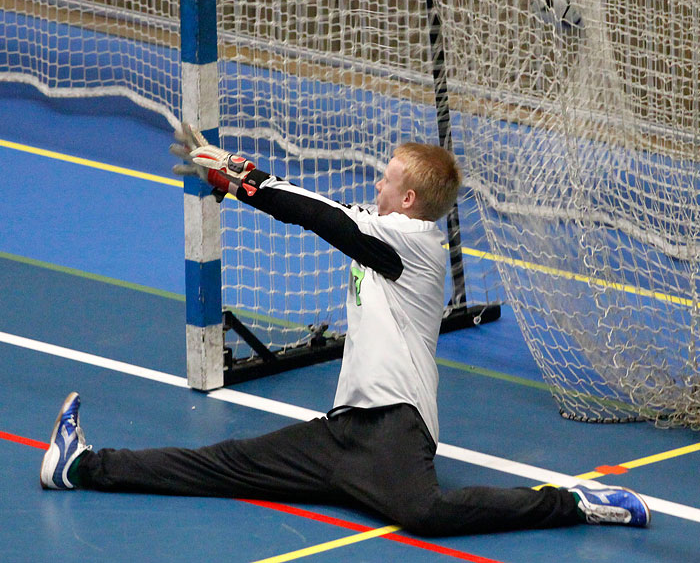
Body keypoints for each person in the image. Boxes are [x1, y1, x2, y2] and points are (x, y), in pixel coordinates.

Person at [39, 125, 650, 535]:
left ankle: (574, 503)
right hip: (342, 433)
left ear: (408, 198)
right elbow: (327, 213)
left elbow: (320, 216)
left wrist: (243, 173)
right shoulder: (385, 228)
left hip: (394, 428)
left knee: (425, 513)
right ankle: (82, 466)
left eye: (385, 179)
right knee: (218, 465)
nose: (375, 185)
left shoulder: (413, 242)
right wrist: (237, 185)